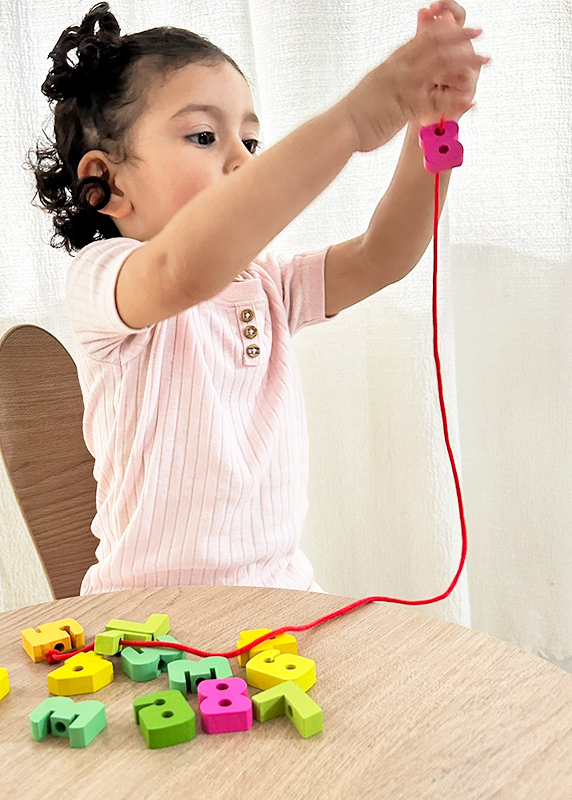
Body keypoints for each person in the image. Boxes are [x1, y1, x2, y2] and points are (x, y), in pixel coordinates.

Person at [28, 1, 488, 595]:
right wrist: (350, 123)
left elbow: (382, 255)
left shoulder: (267, 284)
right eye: (203, 136)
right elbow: (183, 269)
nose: (244, 160)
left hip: (281, 596)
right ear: (106, 182)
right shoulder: (103, 279)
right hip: (149, 612)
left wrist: (431, 128)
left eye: (250, 140)